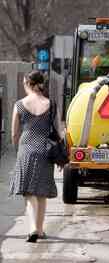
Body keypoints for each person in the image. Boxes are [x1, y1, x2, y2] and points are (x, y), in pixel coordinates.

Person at [9, 70, 64, 243]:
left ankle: (33, 228)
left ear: (28, 84)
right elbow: (59, 131)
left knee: (28, 192)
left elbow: (14, 133)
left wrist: (16, 150)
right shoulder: (51, 104)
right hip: (45, 150)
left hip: (26, 149)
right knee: (41, 192)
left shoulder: (19, 104)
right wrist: (61, 154)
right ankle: (40, 230)